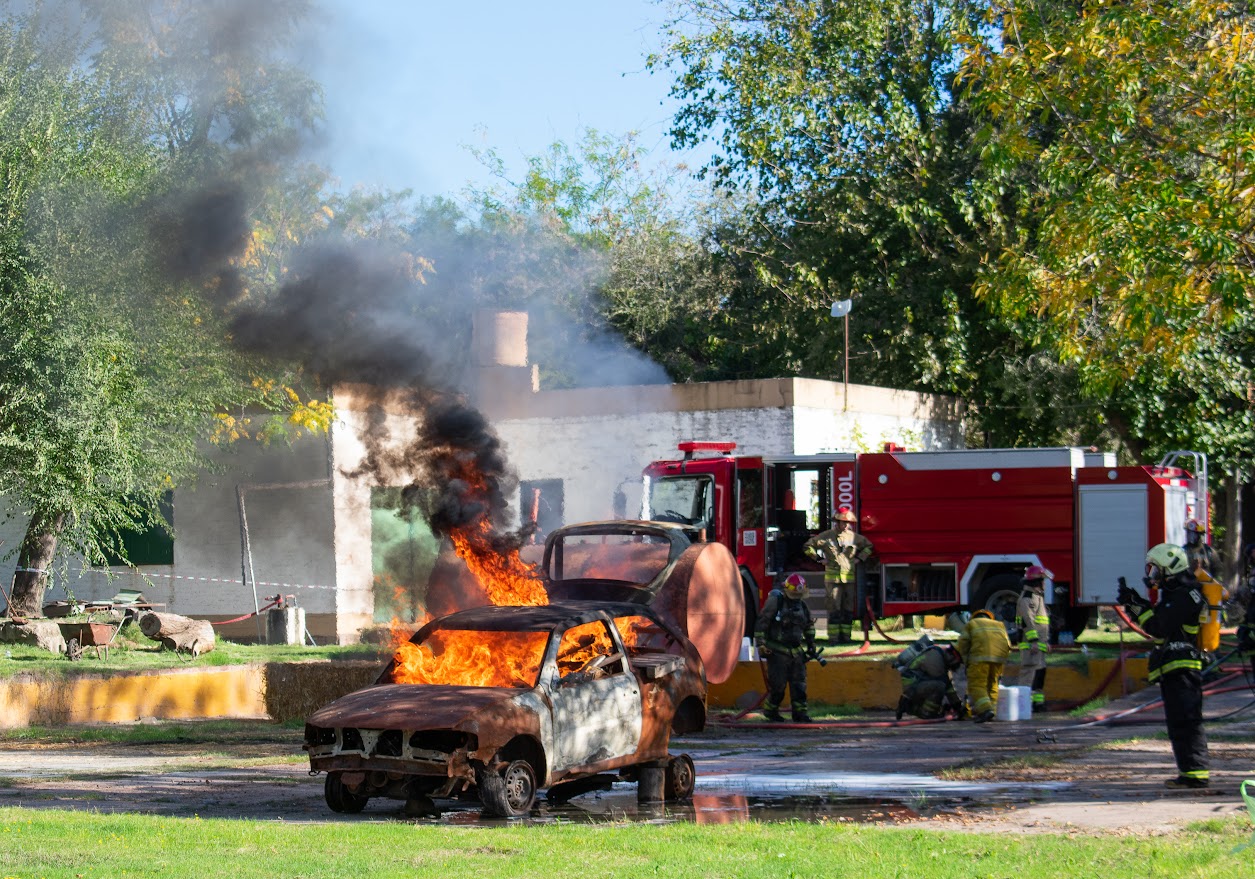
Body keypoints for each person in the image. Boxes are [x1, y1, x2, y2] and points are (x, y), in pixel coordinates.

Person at [1118, 543, 1210, 789]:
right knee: (1178, 722)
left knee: (1187, 721)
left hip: (1183, 668)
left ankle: (1196, 774)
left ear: (1170, 568)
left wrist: (1138, 607)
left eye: (1156, 571)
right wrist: (1135, 603)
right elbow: (1159, 631)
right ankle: (1189, 773)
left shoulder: (1186, 594)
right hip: (1172, 667)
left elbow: (1160, 626)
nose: (1153, 577)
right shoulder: (1175, 594)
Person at [803, 508, 874, 644]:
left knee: (848, 609)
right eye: (843, 522)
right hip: (832, 580)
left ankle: (847, 638)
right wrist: (818, 559)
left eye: (847, 523)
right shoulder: (826, 536)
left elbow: (869, 546)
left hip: (849, 579)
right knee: (833, 609)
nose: (846, 525)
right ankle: (834, 639)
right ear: (837, 522)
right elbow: (808, 547)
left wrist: (860, 559)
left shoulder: (854, 537)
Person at [754, 573, 817, 723]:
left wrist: (811, 644)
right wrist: (761, 644)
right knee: (778, 686)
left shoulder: (802, 605)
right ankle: (771, 711)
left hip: (796, 653)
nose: (796, 598)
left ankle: (800, 714)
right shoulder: (776, 602)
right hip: (777, 651)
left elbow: (808, 626)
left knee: (799, 685)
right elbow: (762, 623)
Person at [956, 609, 1011, 723]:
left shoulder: (972, 624)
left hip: (979, 659)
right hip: (998, 659)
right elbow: (1007, 644)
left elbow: (963, 643)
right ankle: (992, 711)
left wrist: (966, 660)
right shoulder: (1000, 625)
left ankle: (985, 710)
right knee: (993, 684)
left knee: (977, 685)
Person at [1015, 565, 1053, 713]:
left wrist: (1045, 642)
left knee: (1039, 674)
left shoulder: (1037, 597)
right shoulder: (1027, 598)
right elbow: (1028, 621)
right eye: (1042, 580)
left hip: (1039, 645)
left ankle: (1037, 704)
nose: (1044, 584)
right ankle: (1024, 705)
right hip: (1032, 645)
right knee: (1029, 674)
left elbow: (1040, 623)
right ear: (1036, 582)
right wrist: (1034, 641)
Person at [895, 642, 966, 720]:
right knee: (939, 686)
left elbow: (947, 685)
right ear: (954, 656)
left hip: (915, 685)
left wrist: (956, 704)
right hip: (911, 687)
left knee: (939, 685)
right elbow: (945, 684)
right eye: (958, 662)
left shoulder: (939, 656)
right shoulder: (935, 658)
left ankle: (912, 708)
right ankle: (927, 713)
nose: (957, 665)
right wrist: (956, 705)